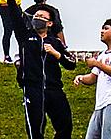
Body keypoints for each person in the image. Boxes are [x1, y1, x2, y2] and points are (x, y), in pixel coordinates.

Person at [16, 8, 74, 139]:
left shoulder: (55, 42)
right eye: (36, 16)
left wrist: (56, 54)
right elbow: (15, 17)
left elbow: (71, 64)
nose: (37, 19)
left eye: (41, 16)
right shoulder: (25, 37)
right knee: (35, 129)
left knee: (65, 125)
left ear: (50, 23)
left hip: (54, 89)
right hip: (33, 89)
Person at [73, 19, 111, 139]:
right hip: (100, 105)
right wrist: (81, 78)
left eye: (106, 28)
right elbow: (92, 78)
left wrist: (98, 64)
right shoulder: (102, 55)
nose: (102, 31)